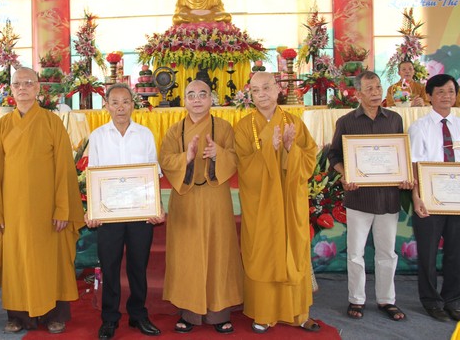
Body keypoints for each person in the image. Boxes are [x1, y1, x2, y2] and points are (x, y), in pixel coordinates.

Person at [0, 67, 84, 334]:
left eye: (28, 83)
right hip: (13, 210)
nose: (22, 88)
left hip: (47, 210)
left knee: (50, 260)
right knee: (17, 261)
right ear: (11, 90)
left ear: (37, 88)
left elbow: (64, 169)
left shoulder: (52, 122)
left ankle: (54, 315)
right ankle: (18, 316)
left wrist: (63, 208)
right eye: (17, 84)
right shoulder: (2, 125)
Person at [234, 72, 319, 334]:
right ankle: (264, 312)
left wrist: (291, 148)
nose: (262, 95)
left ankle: (298, 313)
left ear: (278, 89)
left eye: (266, 88)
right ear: (250, 95)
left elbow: (309, 161)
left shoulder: (294, 122)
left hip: (289, 201)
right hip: (261, 203)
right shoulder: (243, 127)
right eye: (256, 90)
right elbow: (244, 168)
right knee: (263, 252)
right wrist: (268, 151)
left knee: (293, 251)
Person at [328, 70, 413, 322]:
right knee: (355, 253)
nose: (375, 93)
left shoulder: (394, 119)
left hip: (388, 197)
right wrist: (345, 174)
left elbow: (401, 154)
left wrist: (405, 175)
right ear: (358, 94)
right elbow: (334, 155)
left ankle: (387, 300)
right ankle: (356, 299)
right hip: (358, 197)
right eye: (369, 89)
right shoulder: (346, 121)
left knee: (387, 252)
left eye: (378, 87)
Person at [160, 80, 243, 334]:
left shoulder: (224, 127)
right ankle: (189, 313)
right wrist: (185, 158)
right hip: (185, 199)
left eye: (202, 94)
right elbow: (165, 160)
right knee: (187, 255)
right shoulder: (174, 130)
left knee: (219, 252)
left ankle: (219, 313)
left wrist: (219, 154)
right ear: (184, 100)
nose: (197, 99)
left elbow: (235, 158)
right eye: (191, 95)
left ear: (211, 99)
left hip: (216, 199)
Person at [85, 83, 164, 339]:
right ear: (106, 106)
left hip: (140, 212)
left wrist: (157, 206)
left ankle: (138, 314)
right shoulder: (98, 136)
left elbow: (153, 173)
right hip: (109, 213)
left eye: (125, 102)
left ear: (133, 105)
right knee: (110, 266)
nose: (120, 107)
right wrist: (93, 211)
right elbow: (93, 175)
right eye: (115, 102)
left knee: (138, 265)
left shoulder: (145, 135)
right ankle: (110, 318)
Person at [408, 74, 460, 322]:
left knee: (456, 252)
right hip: (429, 200)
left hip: (457, 201)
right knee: (427, 254)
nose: (446, 96)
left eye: (450, 91)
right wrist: (416, 197)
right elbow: (414, 165)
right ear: (429, 96)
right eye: (440, 92)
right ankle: (431, 300)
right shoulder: (419, 127)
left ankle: (452, 299)